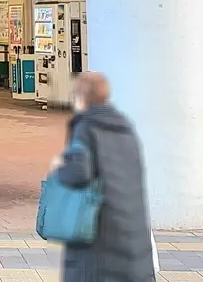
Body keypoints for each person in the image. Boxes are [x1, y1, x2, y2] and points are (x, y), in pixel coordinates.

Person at [51, 72, 155, 282]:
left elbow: (79, 171)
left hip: (99, 229)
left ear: (81, 97)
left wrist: (59, 167)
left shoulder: (86, 126)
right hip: (131, 228)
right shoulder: (125, 127)